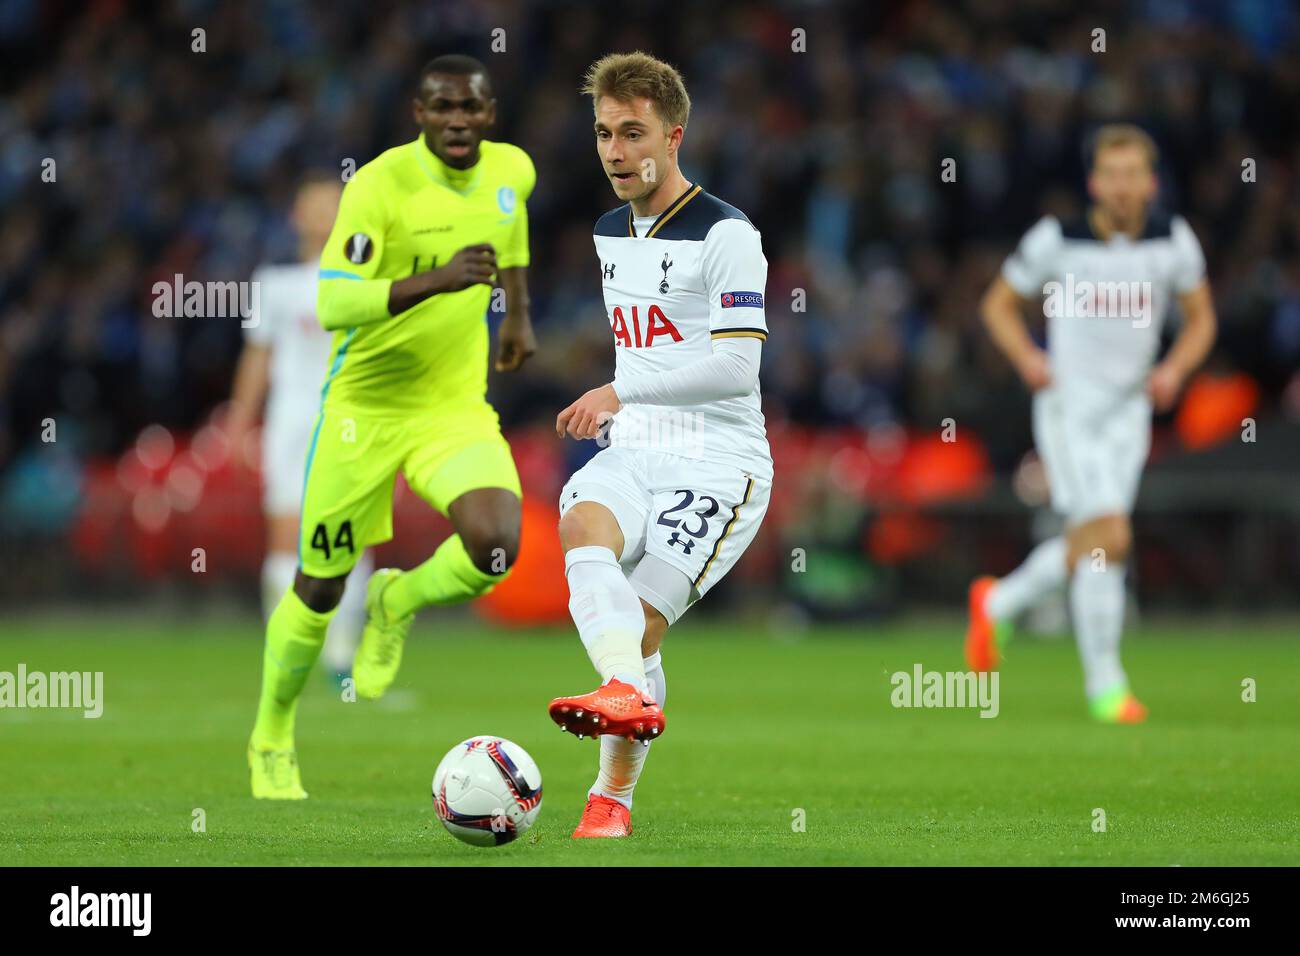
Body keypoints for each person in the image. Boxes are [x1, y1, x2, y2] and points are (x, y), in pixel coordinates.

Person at [248, 54, 538, 798]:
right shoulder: (379, 185)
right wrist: (440, 276)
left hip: (451, 407)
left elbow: (510, 239)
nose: (456, 121)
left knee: (497, 543)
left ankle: (398, 601)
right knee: (318, 586)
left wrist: (517, 318)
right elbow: (336, 301)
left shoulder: (514, 171)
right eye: (441, 107)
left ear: (490, 114)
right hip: (362, 412)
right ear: (419, 113)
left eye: (470, 108)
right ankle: (272, 733)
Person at [549, 52, 773, 837]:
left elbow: (736, 364)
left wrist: (620, 391)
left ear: (673, 136)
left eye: (632, 133)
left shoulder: (728, 235)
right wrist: (624, 399)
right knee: (580, 526)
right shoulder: (611, 232)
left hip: (721, 463)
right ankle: (621, 690)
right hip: (638, 446)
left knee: (640, 626)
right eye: (604, 133)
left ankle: (612, 797)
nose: (615, 150)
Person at [967, 124, 1217, 723]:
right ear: (1094, 183)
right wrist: (1029, 357)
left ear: (1151, 182)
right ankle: (1106, 686)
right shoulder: (1059, 239)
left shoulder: (1173, 241)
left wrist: (1175, 369)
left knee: (1099, 542)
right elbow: (997, 303)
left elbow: (1202, 319)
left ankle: (998, 601)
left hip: (1128, 414)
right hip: (1069, 411)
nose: (1124, 187)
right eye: (1113, 175)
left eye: (1134, 175)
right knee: (1111, 537)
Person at [227, 175, 370, 685]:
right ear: (296, 216)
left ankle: (341, 657)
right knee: (286, 534)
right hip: (291, 421)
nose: (324, 215)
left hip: (354, 422)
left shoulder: (372, 280)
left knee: (348, 536)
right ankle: (285, 647)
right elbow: (258, 357)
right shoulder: (277, 283)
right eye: (314, 206)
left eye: (334, 206)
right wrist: (240, 419)